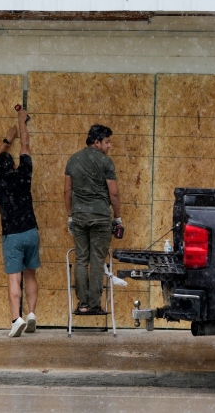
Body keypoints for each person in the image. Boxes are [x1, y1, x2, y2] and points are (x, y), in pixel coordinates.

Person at [0, 106, 39, 338]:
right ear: (15, 166)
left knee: (14, 277)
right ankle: (31, 314)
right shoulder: (23, 175)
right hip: (31, 232)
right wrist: (21, 123)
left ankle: (15, 319)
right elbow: (26, 147)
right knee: (30, 275)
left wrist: (7, 139)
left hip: (12, 235)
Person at [64, 124, 122, 315]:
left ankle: (82, 305)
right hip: (101, 218)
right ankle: (95, 305)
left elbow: (67, 191)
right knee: (97, 260)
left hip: (79, 217)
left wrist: (70, 216)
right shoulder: (106, 163)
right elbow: (114, 194)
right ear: (96, 142)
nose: (109, 146)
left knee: (81, 259)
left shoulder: (73, 160)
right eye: (107, 141)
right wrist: (118, 218)